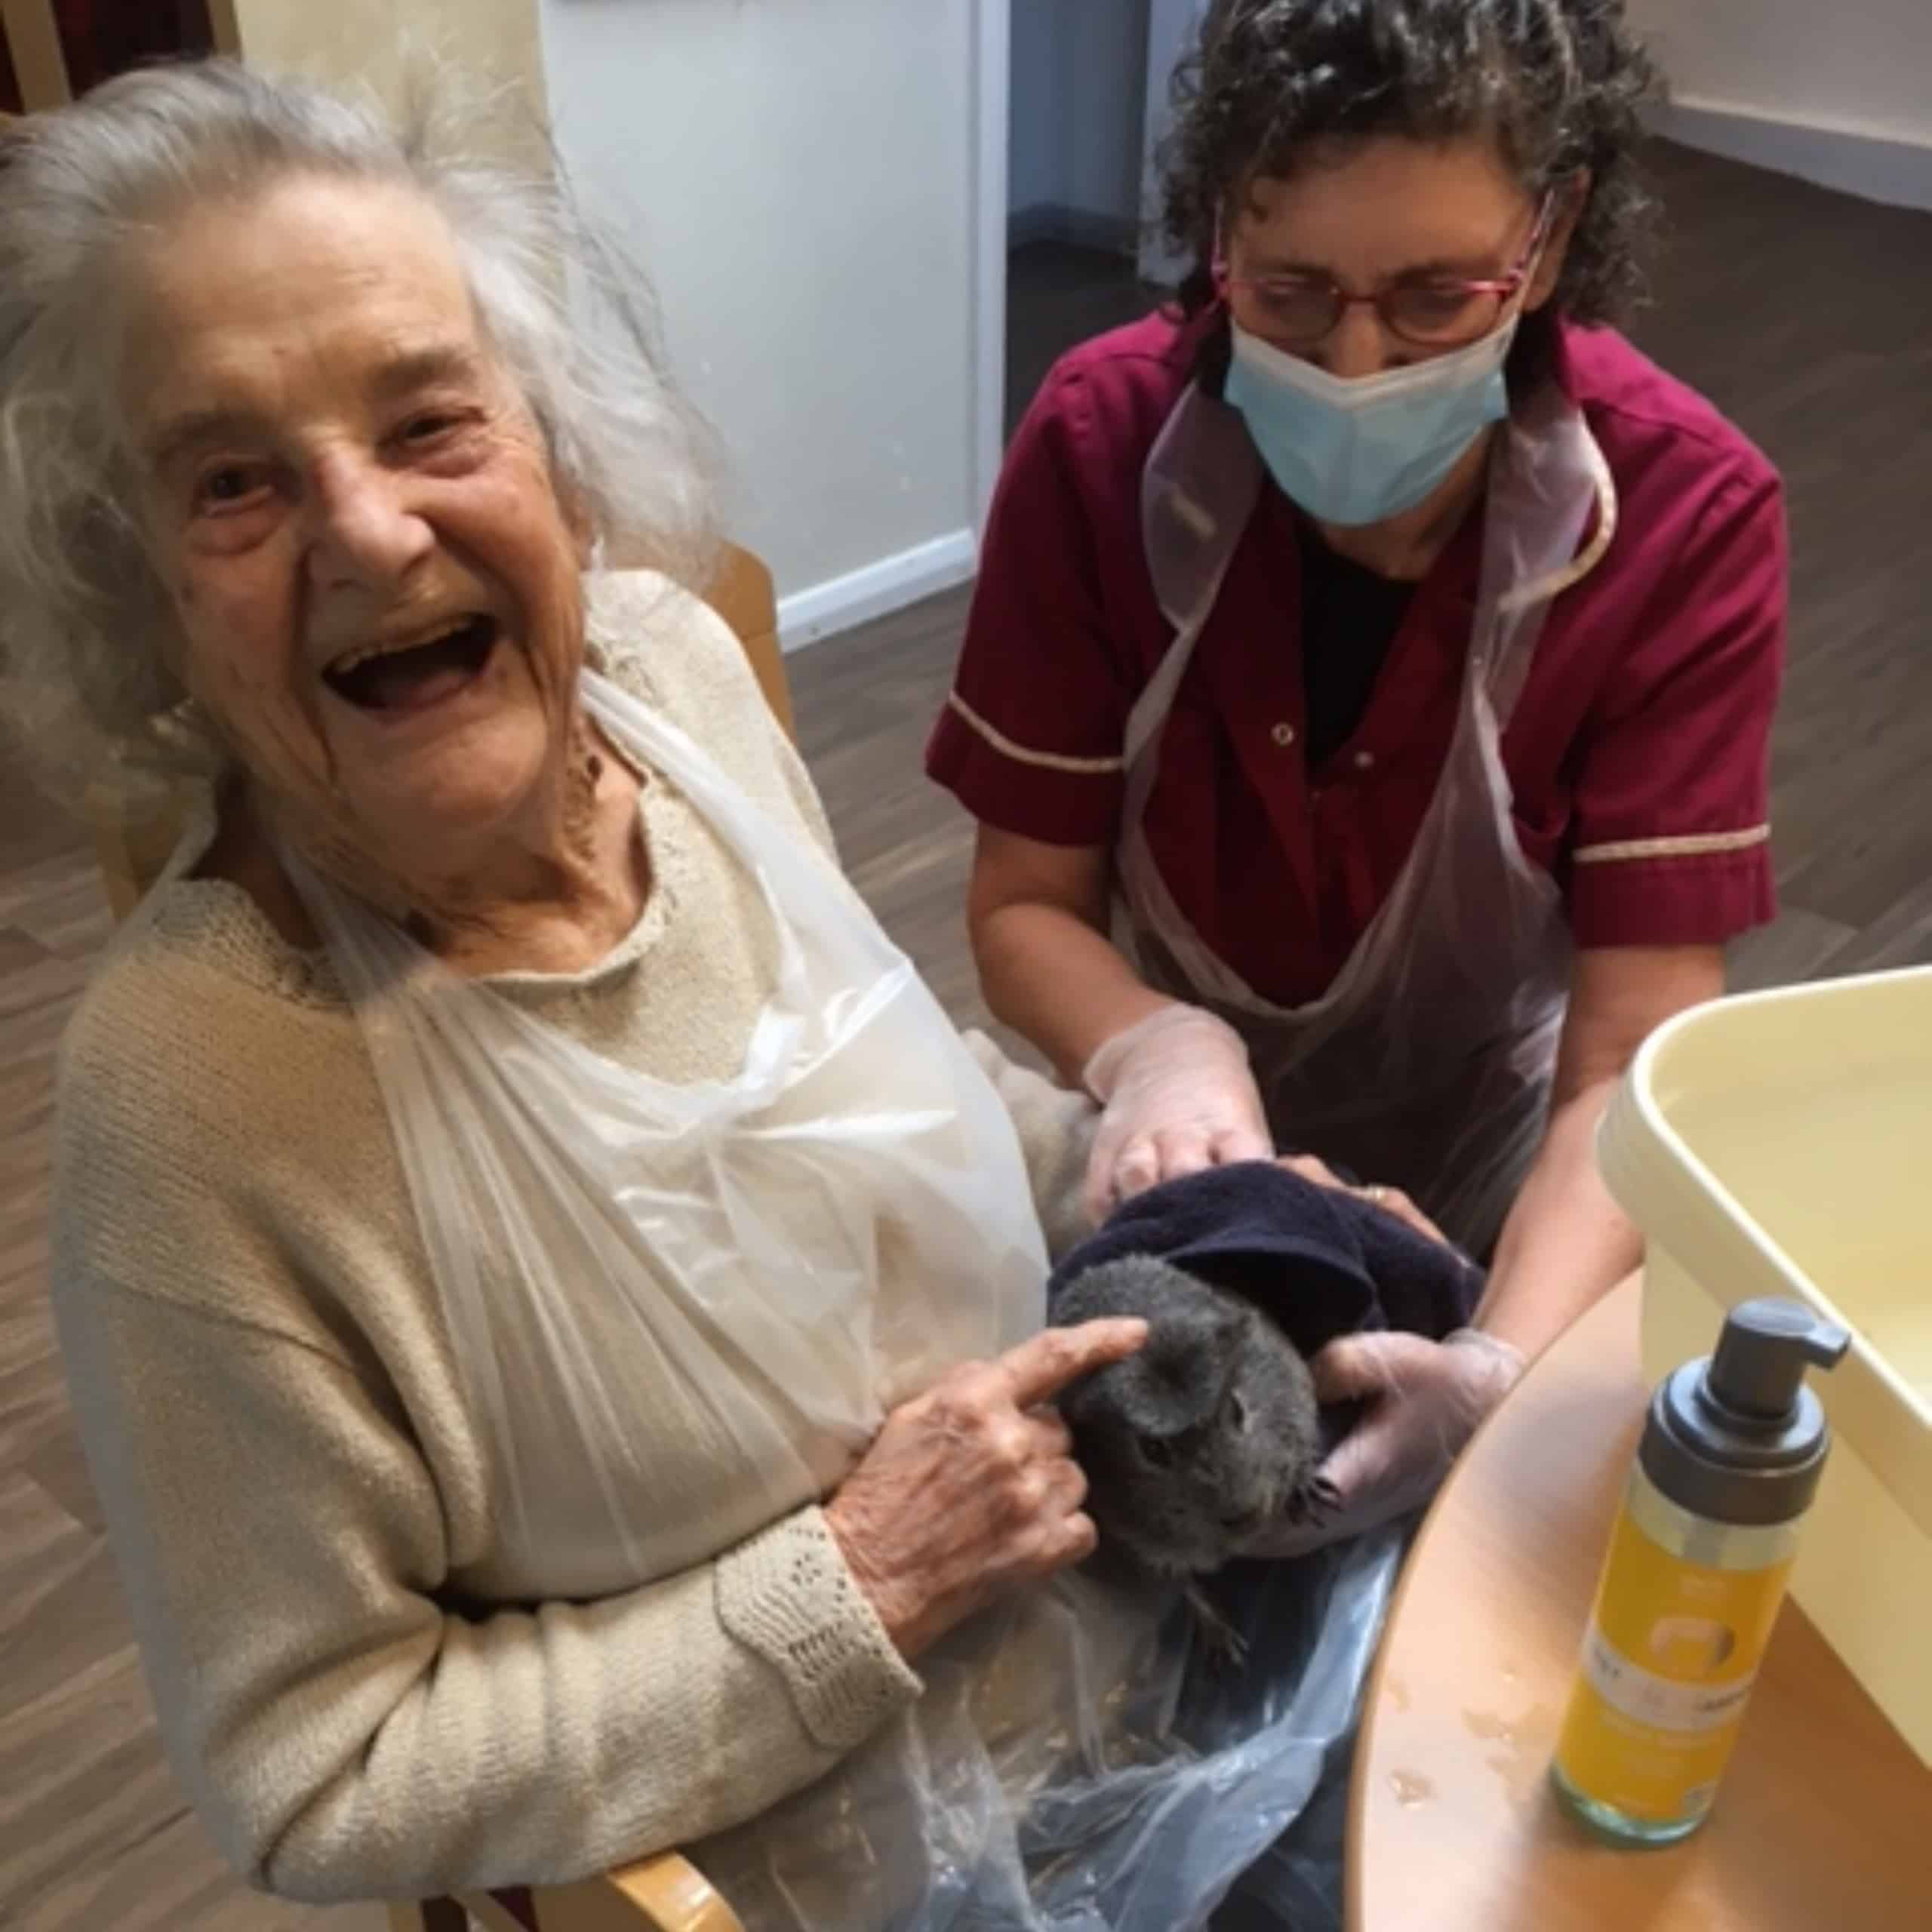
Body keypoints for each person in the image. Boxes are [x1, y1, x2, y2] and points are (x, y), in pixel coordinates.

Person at [0, 61, 1194, 1914]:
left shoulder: (678, 678)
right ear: (137, 592)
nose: (370, 532)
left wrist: (1162, 1179)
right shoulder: (194, 1098)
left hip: (1129, 1647)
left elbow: (860, 1091)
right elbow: (311, 1773)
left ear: (557, 456)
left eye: (428, 421)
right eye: (232, 482)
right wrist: (857, 1581)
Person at [928, 0, 1786, 1544]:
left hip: (1502, 1149)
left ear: (1552, 229)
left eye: (1436, 297)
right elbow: (1023, 903)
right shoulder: (1099, 443)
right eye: (1291, 289)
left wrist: (1499, 1361)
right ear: (1212, 229)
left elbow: (1628, 1064)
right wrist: (1159, 1052)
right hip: (1170, 1142)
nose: (1354, 358)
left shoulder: (1678, 512)